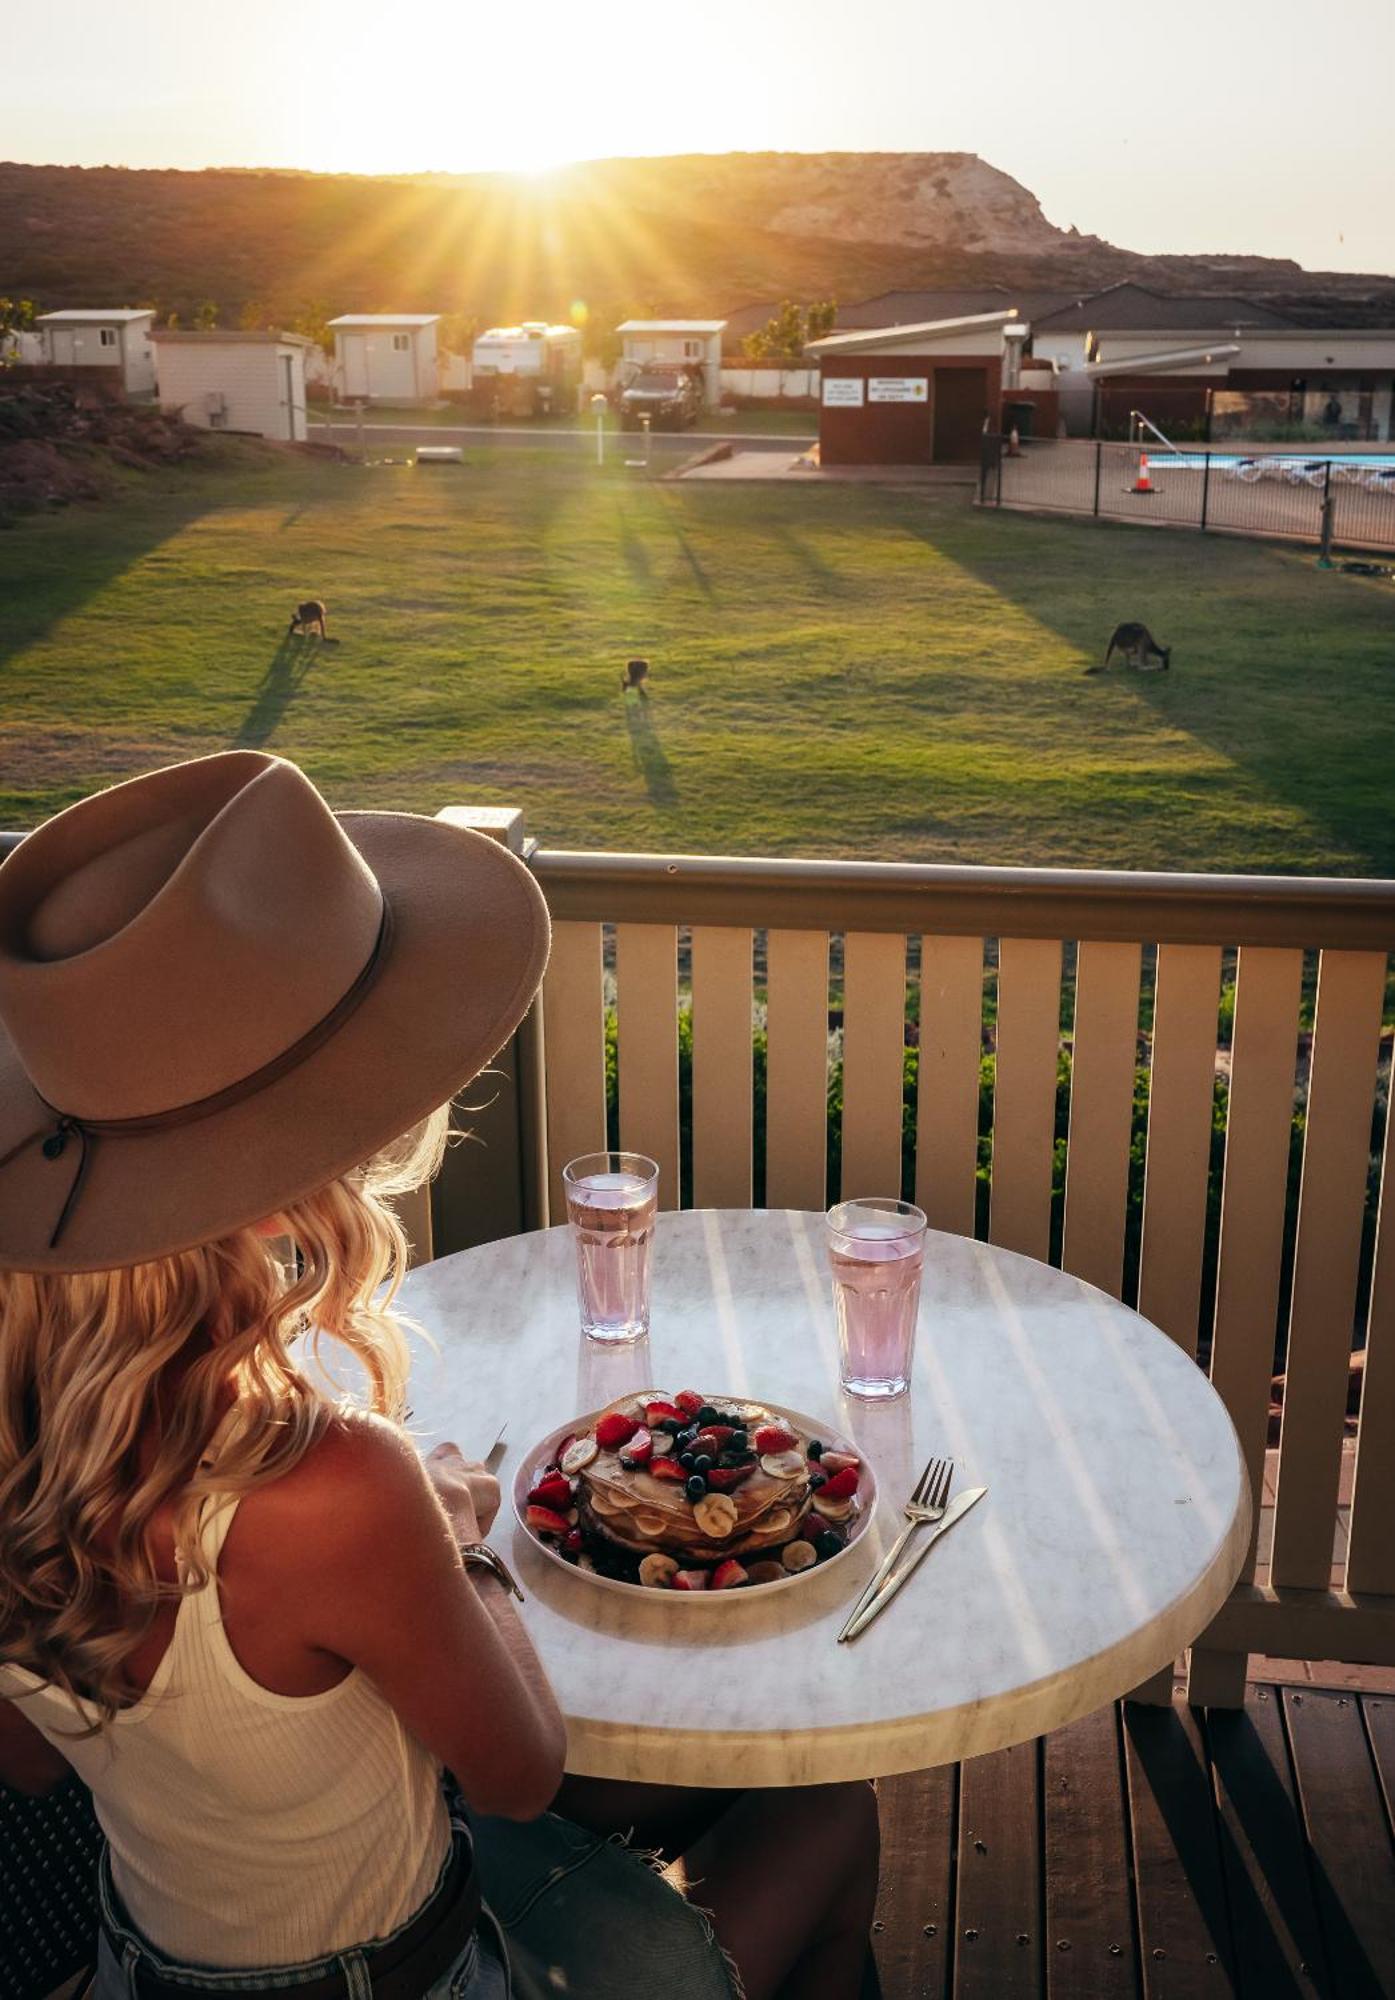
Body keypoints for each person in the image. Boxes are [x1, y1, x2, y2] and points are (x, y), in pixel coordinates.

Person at [0, 751, 879, 1999]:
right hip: (409, 1972)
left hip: (138, 1959)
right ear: (277, 1187)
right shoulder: (333, 1481)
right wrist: (453, 1527)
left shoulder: (20, 1432)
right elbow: (519, 1770)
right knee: (828, 1818)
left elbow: (32, 1761)